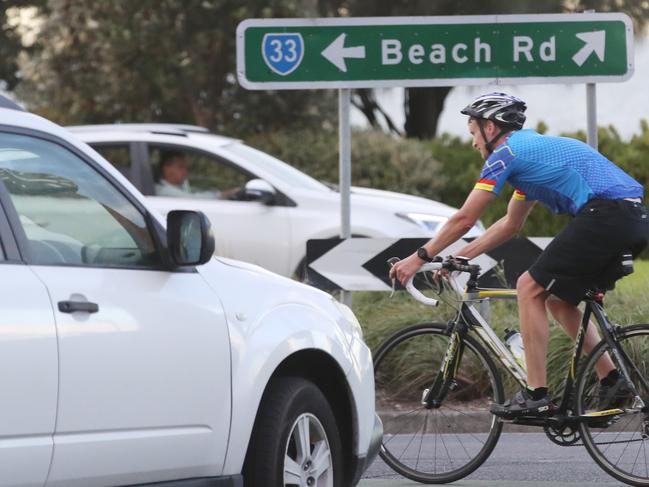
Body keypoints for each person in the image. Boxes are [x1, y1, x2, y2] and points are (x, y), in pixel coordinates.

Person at [390, 92, 649, 418]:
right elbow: (511, 224)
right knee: (557, 300)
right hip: (632, 220)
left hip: (605, 214)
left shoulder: (506, 154)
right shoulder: (531, 155)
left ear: (489, 126)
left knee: (528, 286)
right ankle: (612, 381)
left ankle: (535, 394)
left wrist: (420, 258)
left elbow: (464, 218)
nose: (473, 144)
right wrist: (462, 256)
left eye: (472, 133)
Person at [155, 150, 238, 199]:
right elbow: (193, 199)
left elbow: (195, 191)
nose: (185, 172)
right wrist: (221, 195)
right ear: (167, 169)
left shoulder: (179, 185)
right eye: (180, 167)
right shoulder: (163, 191)